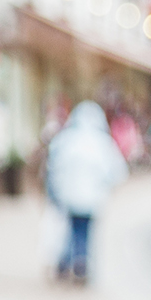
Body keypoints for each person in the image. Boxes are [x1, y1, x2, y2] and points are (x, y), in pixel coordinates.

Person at [44, 100, 126, 283]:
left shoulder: (66, 139)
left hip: (69, 196)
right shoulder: (102, 143)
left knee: (72, 229)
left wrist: (56, 191)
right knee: (83, 231)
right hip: (92, 199)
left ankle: (67, 263)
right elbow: (117, 171)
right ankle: (79, 263)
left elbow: (53, 167)